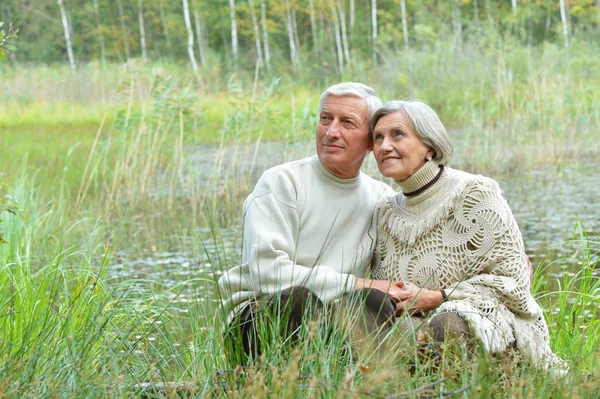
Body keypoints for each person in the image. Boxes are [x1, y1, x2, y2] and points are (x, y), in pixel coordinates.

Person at [368, 99, 567, 374]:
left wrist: (439, 296)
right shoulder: (384, 212)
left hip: (484, 324)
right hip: (413, 327)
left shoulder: (474, 193)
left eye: (397, 134)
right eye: (378, 138)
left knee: (447, 324)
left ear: (430, 147)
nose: (384, 146)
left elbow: (515, 282)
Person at [217, 82, 403, 363]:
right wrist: (356, 282)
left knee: (374, 301)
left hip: (334, 319)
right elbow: (268, 274)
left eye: (347, 123)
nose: (331, 132)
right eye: (325, 119)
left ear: (370, 141)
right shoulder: (281, 182)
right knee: (299, 299)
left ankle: (358, 385)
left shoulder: (381, 198)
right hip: (260, 317)